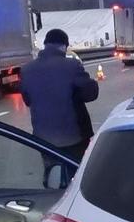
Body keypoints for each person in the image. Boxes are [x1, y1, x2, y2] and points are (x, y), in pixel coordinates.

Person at [22, 28, 101, 159]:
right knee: (75, 171)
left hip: (43, 137)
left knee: (50, 167)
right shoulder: (72, 65)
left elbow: (27, 100)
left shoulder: (27, 69)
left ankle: (49, 177)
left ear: (46, 45)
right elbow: (90, 94)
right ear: (64, 46)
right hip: (73, 136)